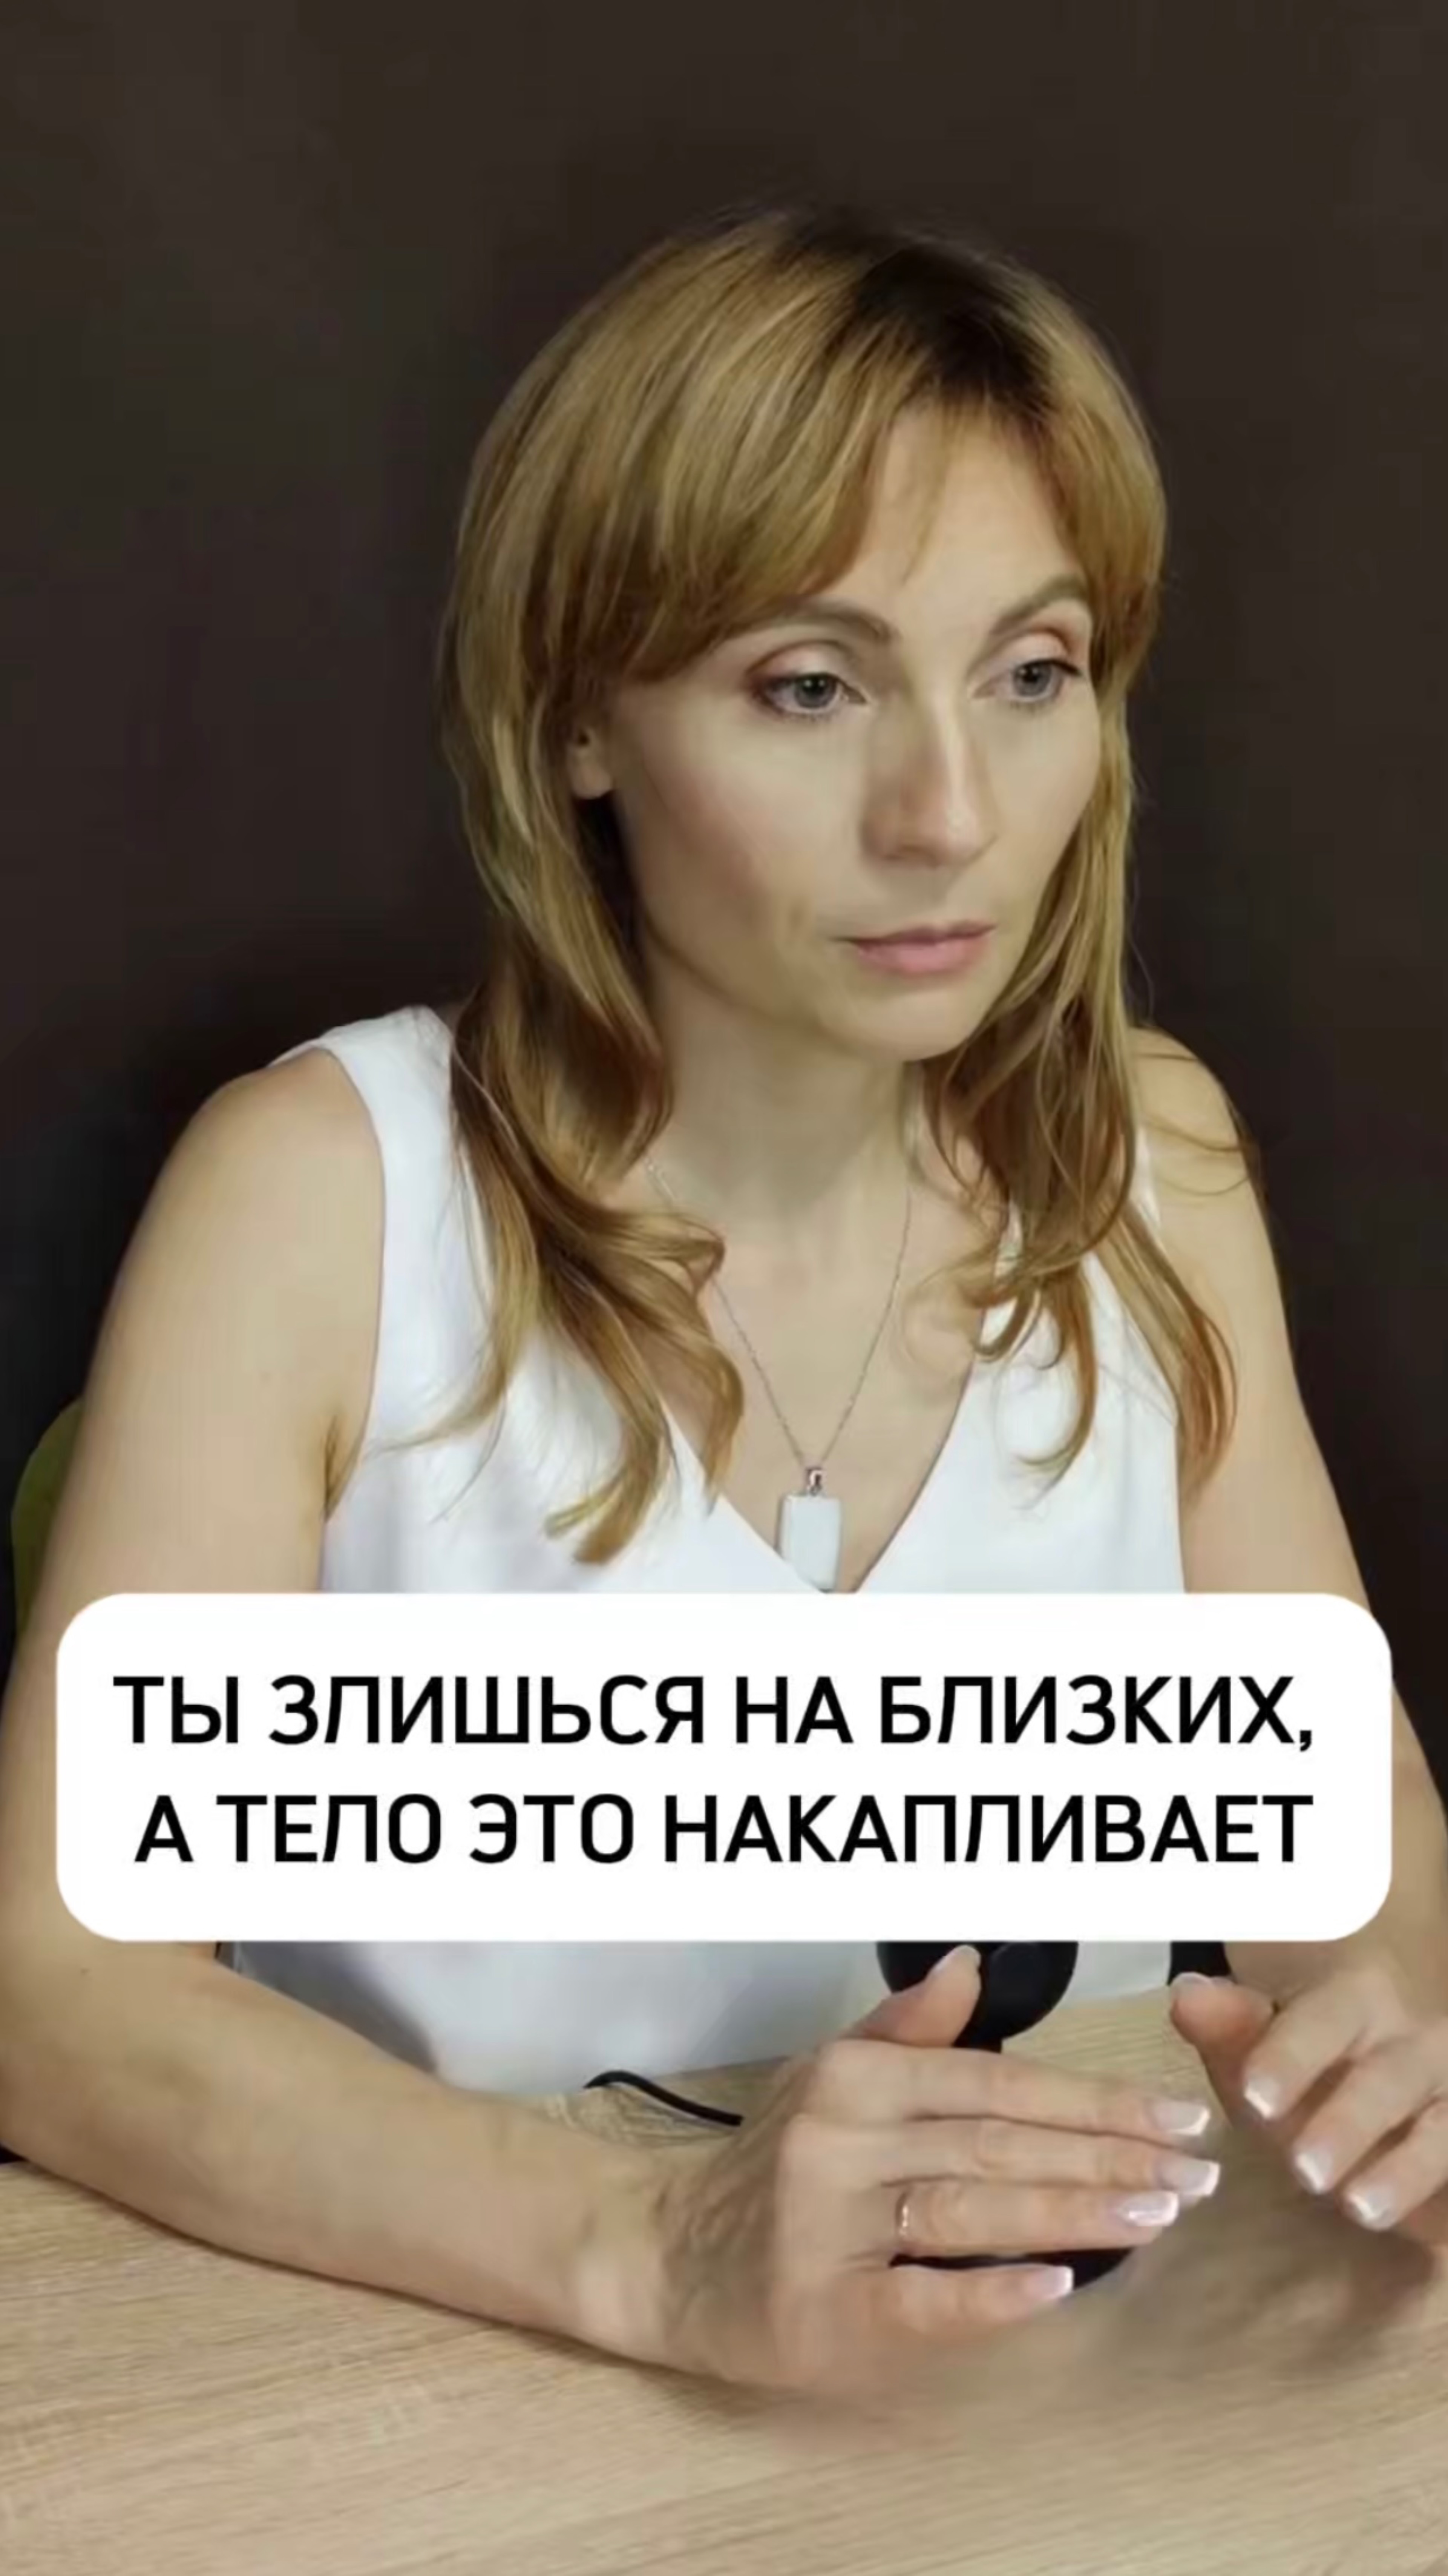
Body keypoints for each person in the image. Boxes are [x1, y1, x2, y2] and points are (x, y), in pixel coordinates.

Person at [2, 202, 1445, 2402]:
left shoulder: (1155, 1161)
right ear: (579, 719)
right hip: (426, 2409)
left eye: (1031, 673)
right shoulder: (315, 1194)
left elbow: (1349, 1833)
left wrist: (1392, 2047)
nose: (948, 814)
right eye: (809, 686)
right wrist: (648, 2247)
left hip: (1053, 2414)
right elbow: (56, 1988)